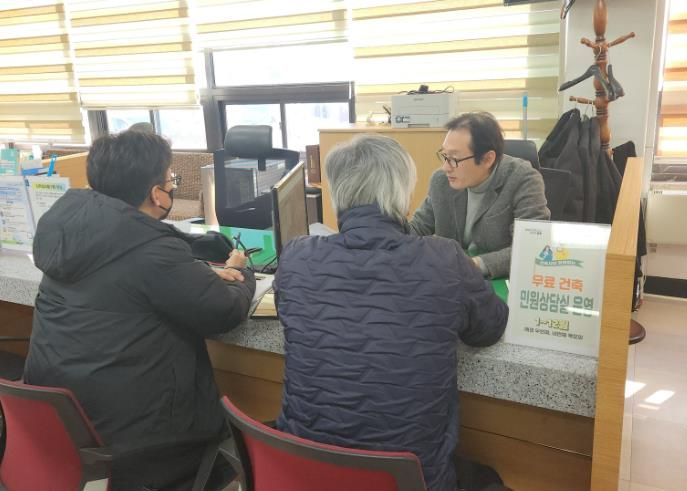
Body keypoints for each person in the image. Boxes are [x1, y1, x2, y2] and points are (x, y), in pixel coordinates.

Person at [24, 130, 256, 490]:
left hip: (59, 424)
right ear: (156, 193)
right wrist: (241, 271)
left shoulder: (66, 226)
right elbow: (223, 311)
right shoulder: (151, 251)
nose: (172, 187)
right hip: (137, 440)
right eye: (171, 180)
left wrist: (192, 272)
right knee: (236, 439)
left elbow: (124, 279)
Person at [274, 134, 508, 491]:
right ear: (403, 192)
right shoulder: (444, 259)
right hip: (410, 481)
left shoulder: (296, 257)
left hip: (305, 476)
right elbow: (489, 327)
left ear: (337, 192)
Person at [409, 112, 550, 278]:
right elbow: (417, 227)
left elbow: (531, 246)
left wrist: (474, 265)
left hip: (500, 280)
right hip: (451, 280)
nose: (446, 167)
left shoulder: (523, 180)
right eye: (445, 155)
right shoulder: (441, 181)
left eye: (454, 158)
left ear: (487, 159)